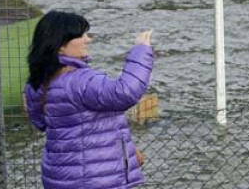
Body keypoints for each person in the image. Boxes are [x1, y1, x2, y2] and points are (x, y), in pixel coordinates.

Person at [24, 10, 154, 189]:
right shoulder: (80, 80)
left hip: (59, 176)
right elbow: (125, 92)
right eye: (81, 35)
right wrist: (141, 50)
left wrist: (127, 150)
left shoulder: (37, 83)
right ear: (60, 45)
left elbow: (41, 122)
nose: (88, 39)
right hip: (95, 179)